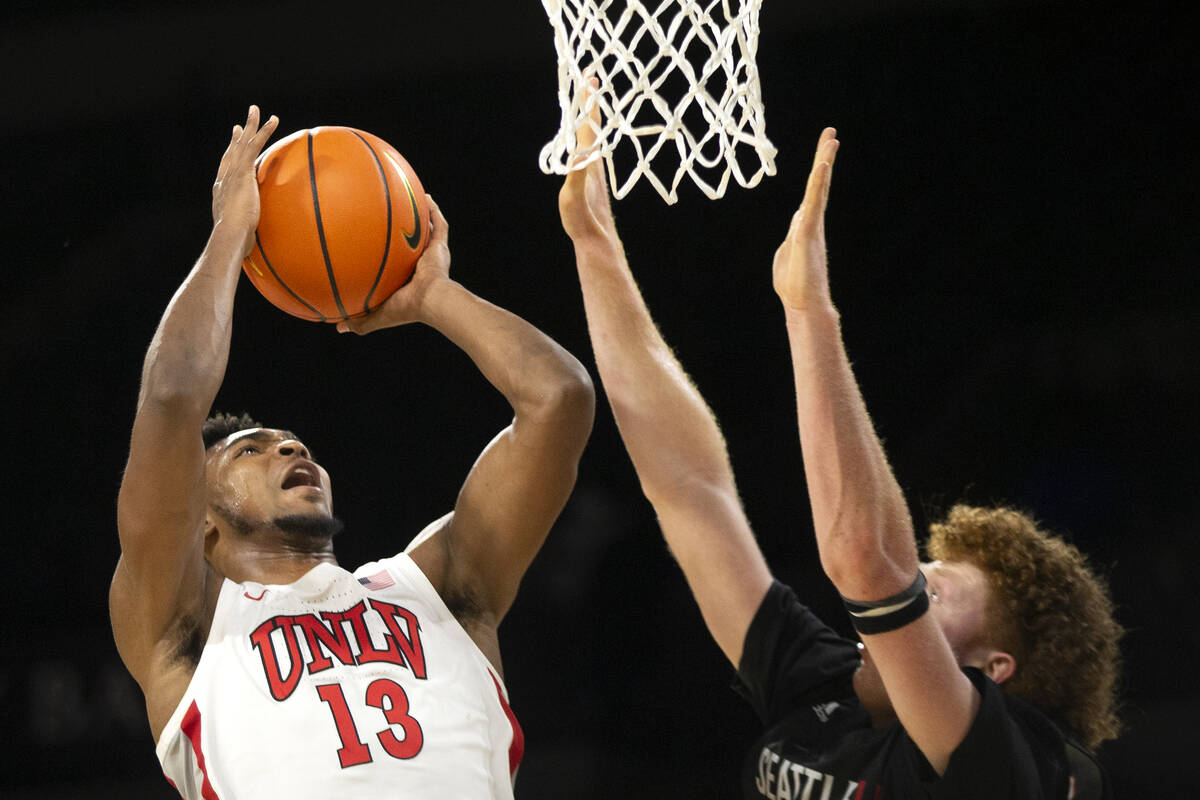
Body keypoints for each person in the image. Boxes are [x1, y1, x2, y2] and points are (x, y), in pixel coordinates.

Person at [558, 101, 1122, 798]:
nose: (911, 580)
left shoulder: (1015, 768)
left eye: (934, 592)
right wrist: (595, 245)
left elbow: (868, 562)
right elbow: (689, 491)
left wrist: (810, 312)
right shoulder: (828, 692)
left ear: (992, 670)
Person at [110, 106, 595, 798]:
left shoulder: (438, 587)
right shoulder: (189, 628)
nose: (288, 445)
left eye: (291, 441)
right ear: (204, 523)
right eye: (251, 451)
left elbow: (559, 401)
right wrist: (229, 235)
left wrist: (433, 295)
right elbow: (170, 402)